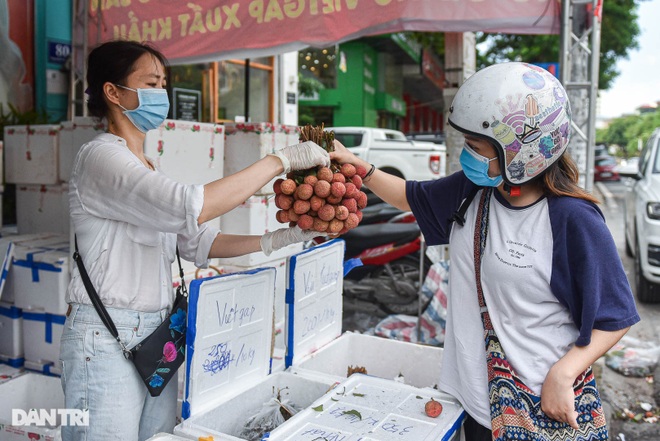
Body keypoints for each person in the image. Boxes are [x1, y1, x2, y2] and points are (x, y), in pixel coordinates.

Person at [330, 62, 640, 440]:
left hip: (538, 402)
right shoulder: (472, 192)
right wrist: (359, 166)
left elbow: (616, 316)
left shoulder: (572, 219)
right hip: (477, 401)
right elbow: (410, 197)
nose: (468, 156)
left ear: (522, 153)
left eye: (476, 148)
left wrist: (564, 372)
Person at [59, 40, 329, 441]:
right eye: (150, 83)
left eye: (163, 84)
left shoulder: (145, 165)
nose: (161, 94)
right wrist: (279, 161)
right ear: (112, 92)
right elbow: (189, 206)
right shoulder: (101, 158)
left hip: (156, 334)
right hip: (104, 337)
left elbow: (197, 241)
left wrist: (278, 239)